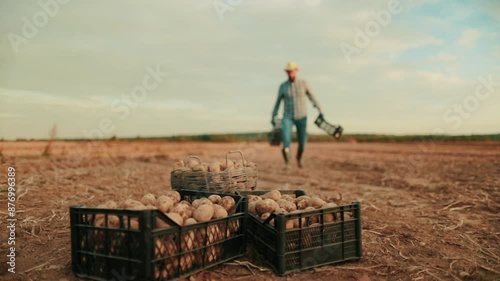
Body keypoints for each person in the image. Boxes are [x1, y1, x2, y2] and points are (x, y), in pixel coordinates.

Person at [271, 61, 322, 169]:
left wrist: (320, 110)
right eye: (288, 71)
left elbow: (312, 97)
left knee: (302, 143)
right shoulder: (283, 86)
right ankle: (288, 163)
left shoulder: (304, 83)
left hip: (302, 116)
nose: (290, 73)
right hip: (287, 117)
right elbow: (277, 102)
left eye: (292, 71)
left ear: (296, 71)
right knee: (285, 140)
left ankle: (299, 158)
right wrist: (273, 115)